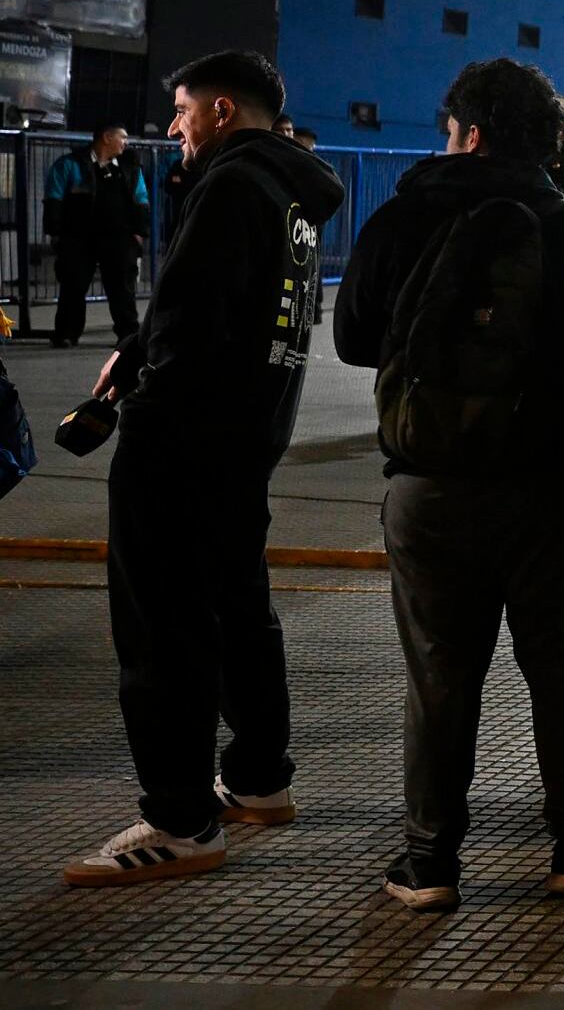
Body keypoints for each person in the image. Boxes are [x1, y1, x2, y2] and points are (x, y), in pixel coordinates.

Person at [336, 59, 564, 911]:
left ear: (468, 132)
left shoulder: (402, 218)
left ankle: (429, 861)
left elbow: (355, 339)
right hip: (552, 486)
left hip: (430, 486)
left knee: (439, 675)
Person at [61, 53, 344, 888]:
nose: (175, 127)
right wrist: (139, 347)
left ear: (223, 110)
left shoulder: (229, 185)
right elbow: (236, 305)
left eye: (183, 111)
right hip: (247, 437)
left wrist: (140, 405)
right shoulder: (293, 193)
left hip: (181, 442)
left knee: (162, 626)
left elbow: (191, 316)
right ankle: (259, 775)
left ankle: (180, 818)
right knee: (237, 605)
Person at [45, 125, 151, 348]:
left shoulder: (130, 168)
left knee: (123, 287)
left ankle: (129, 334)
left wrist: (139, 233)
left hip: (119, 239)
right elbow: (54, 198)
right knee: (73, 285)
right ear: (106, 138)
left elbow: (141, 199)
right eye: (122, 137)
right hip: (78, 238)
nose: (126, 142)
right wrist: (56, 233)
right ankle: (66, 332)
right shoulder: (69, 165)